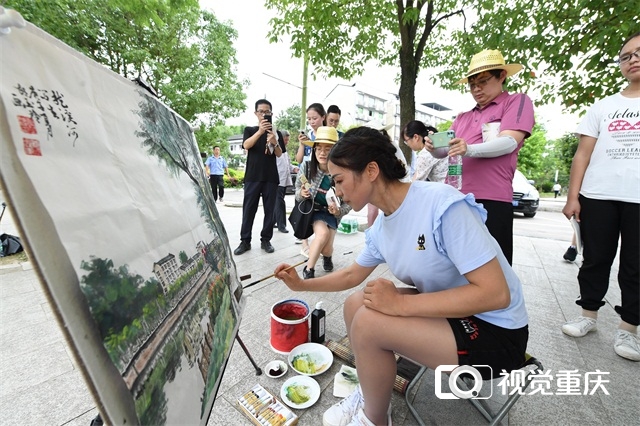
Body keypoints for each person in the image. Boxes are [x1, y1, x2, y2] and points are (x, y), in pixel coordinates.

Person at [275, 126, 528, 426]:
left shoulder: (441, 203)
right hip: (451, 313)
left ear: (371, 170)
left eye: (340, 180)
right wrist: (302, 284)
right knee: (356, 304)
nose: (337, 190)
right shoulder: (382, 226)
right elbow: (351, 275)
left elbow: (495, 293)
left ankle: (375, 419)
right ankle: (371, 394)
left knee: (369, 325)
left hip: (496, 331)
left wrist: (401, 305)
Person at [560, 32, 640, 362]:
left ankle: (629, 329)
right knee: (595, 259)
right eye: (626, 56)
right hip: (598, 196)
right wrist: (572, 197)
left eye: (638, 53)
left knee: (636, 266)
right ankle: (588, 316)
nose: (633, 59)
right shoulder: (604, 107)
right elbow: (582, 155)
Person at [427, 49, 535, 265]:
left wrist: (469, 149)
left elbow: (509, 142)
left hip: (492, 198)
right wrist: (432, 147)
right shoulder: (463, 117)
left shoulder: (516, 102)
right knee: (456, 262)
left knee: (495, 265)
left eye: (483, 82)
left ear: (502, 75)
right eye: (472, 84)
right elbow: (447, 150)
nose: (476, 89)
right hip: (456, 197)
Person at [296, 126, 351, 279]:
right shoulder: (306, 168)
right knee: (322, 233)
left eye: (327, 149)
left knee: (326, 249)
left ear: (335, 151)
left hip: (332, 214)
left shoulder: (343, 173)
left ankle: (327, 257)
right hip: (314, 211)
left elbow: (350, 201)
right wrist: (301, 193)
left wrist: (339, 211)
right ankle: (309, 269)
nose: (322, 152)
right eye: (318, 148)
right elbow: (296, 191)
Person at [233, 99, 285, 255]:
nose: (264, 114)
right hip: (252, 177)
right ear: (256, 113)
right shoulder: (249, 130)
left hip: (270, 177)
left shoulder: (277, 133)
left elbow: (279, 153)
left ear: (271, 114)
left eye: (267, 111)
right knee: (248, 210)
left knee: (270, 211)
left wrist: (275, 141)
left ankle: (266, 240)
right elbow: (246, 145)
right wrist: (260, 132)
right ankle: (245, 241)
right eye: (261, 111)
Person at [296, 103, 327, 256]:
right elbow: (299, 158)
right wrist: (303, 143)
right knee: (304, 202)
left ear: (323, 117)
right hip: (306, 172)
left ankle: (318, 242)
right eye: (309, 119)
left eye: (315, 118)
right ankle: (304, 243)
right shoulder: (308, 134)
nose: (312, 121)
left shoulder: (328, 135)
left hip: (320, 173)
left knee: (318, 206)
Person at [273, 130, 297, 233]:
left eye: (288, 140)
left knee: (278, 202)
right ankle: (281, 225)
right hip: (277, 180)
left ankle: (273, 221)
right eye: (286, 140)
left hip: (284, 180)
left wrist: (294, 168)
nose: (287, 142)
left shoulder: (285, 151)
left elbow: (288, 164)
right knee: (280, 203)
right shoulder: (275, 148)